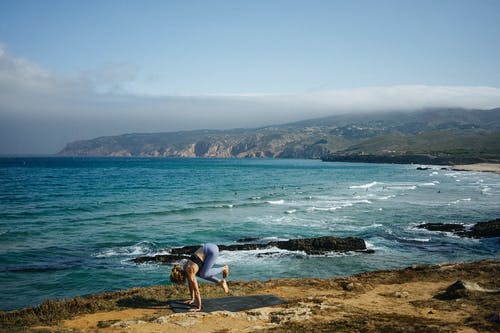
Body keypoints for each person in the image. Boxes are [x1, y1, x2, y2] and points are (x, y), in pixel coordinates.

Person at [170, 243, 229, 312]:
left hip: (212, 251)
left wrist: (199, 307)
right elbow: (190, 284)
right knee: (200, 274)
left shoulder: (190, 271)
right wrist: (192, 299)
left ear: (180, 278)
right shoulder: (185, 268)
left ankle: (224, 268)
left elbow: (196, 291)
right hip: (208, 247)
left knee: (203, 274)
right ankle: (220, 282)